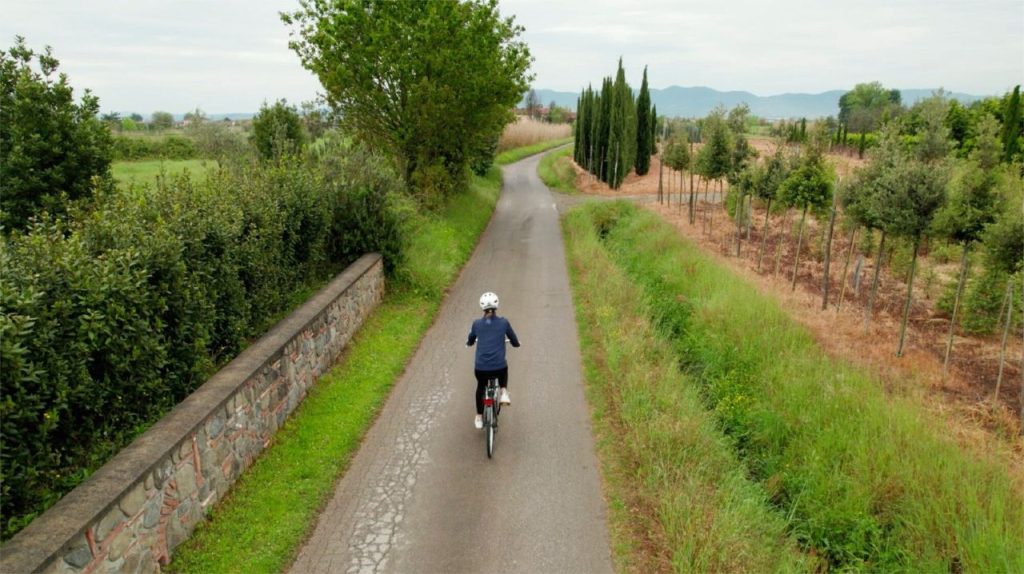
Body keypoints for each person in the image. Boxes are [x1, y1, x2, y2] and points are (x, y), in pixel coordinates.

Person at [466, 291, 520, 429]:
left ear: (482, 307)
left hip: (481, 368)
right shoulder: (504, 322)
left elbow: (471, 339)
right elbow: (514, 339)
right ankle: (503, 392)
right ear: (496, 306)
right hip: (499, 367)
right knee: (503, 367)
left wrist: (469, 343)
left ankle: (478, 416)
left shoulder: (476, 324)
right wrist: (516, 344)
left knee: (480, 387)